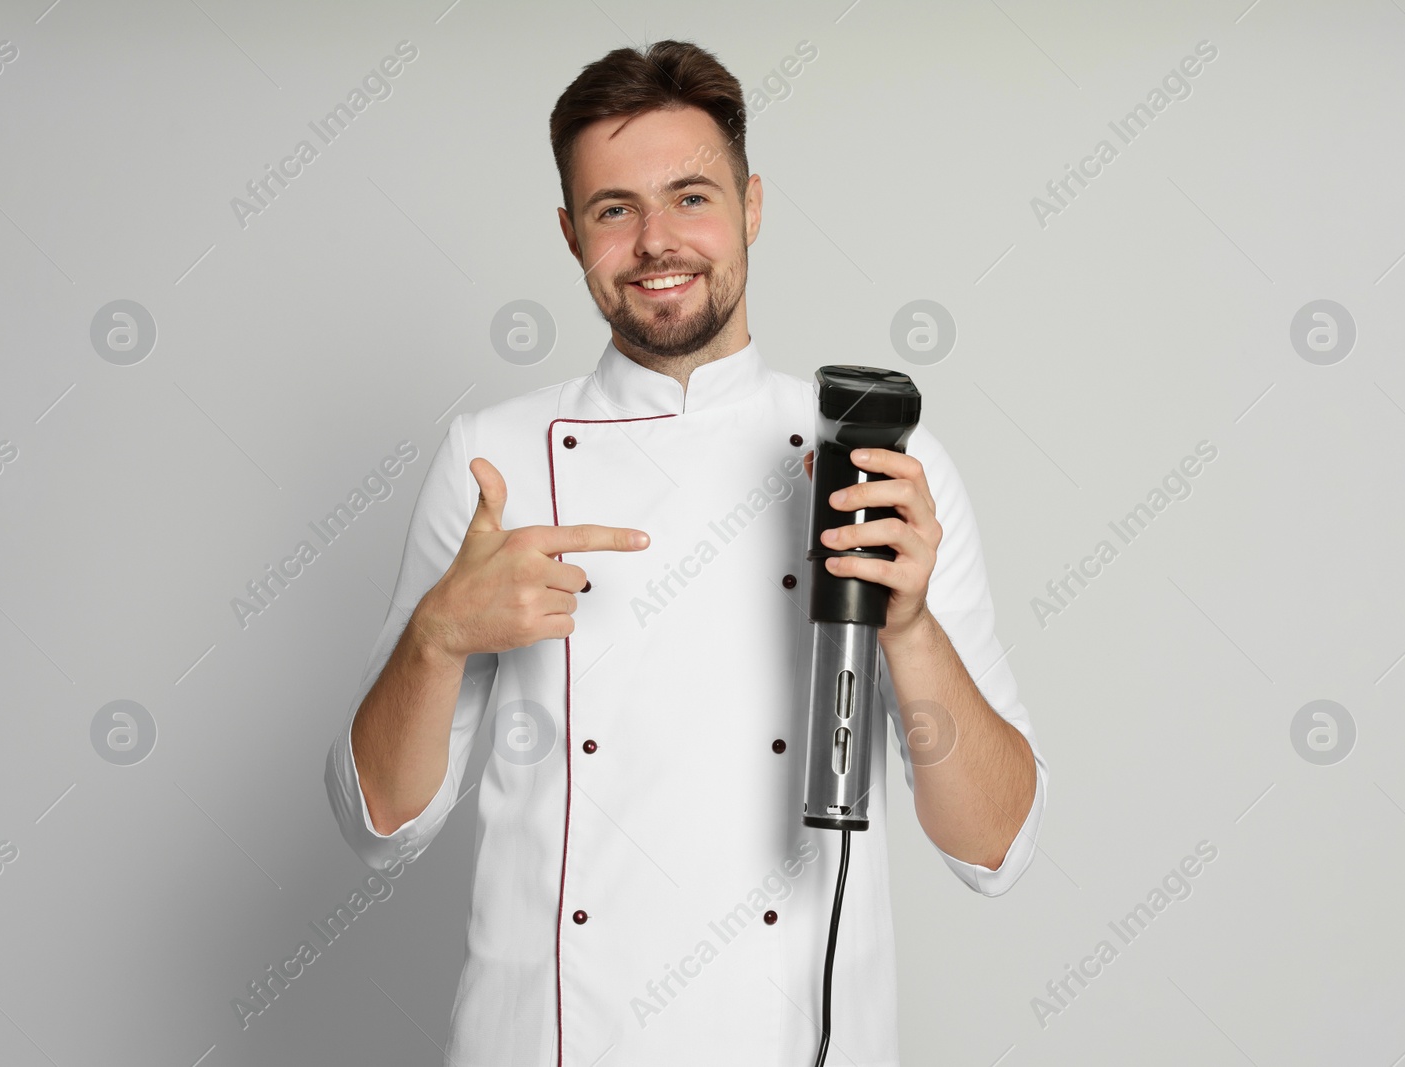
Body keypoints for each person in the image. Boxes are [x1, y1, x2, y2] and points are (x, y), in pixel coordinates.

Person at [325, 38, 1047, 1066]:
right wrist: (437, 637)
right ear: (572, 235)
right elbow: (379, 823)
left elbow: (995, 845)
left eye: (690, 197)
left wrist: (913, 626)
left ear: (751, 206)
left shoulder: (877, 457)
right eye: (614, 209)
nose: (656, 240)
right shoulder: (492, 457)